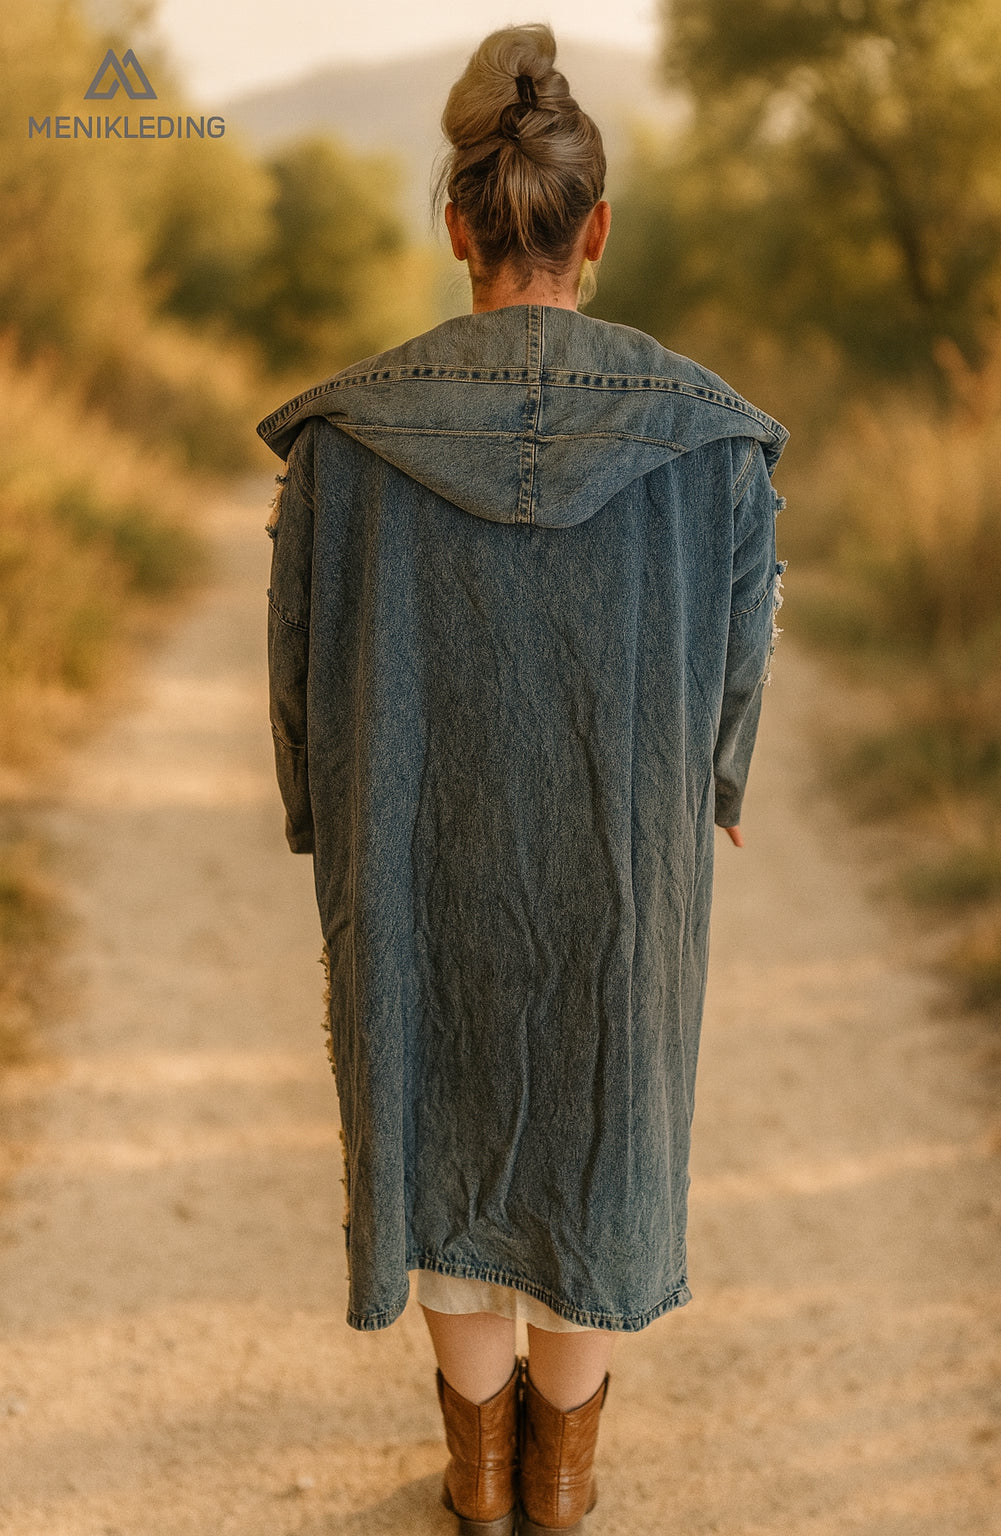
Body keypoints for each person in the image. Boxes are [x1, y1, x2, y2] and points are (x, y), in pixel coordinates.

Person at [258, 22, 786, 1536]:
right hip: (623, 858)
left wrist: (321, 810)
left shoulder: (344, 435)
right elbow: (745, 636)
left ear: (457, 224)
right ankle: (566, 1483)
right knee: (601, 1134)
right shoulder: (712, 434)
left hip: (418, 842)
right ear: (594, 229)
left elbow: (297, 662)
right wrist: (722, 779)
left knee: (439, 1121)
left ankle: (476, 1478)